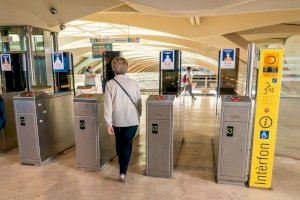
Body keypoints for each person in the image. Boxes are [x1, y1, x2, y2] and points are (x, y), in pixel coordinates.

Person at [104, 57, 142, 183]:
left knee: (119, 144)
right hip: (132, 120)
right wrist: (138, 115)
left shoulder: (110, 84)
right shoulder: (134, 83)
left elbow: (108, 105)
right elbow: (138, 102)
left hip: (117, 120)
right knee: (127, 144)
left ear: (113, 68)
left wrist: (108, 122)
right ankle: (123, 171)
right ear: (126, 67)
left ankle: (122, 166)